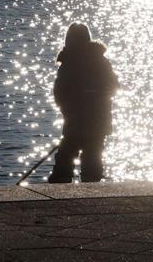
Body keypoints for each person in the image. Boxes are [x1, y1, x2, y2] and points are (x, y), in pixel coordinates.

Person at [49, 23, 120, 183]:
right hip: (97, 120)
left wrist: (68, 110)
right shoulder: (101, 61)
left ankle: (60, 189)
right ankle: (91, 188)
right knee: (92, 156)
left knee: (67, 156)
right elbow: (114, 86)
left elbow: (59, 92)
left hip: (76, 119)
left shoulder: (68, 62)